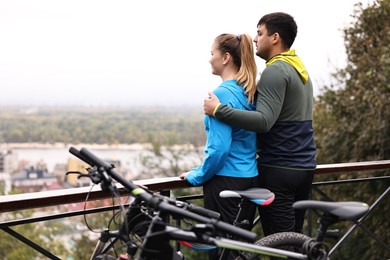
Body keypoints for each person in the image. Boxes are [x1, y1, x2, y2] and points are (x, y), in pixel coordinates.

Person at [203, 12, 317, 237]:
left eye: (259, 33)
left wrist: (218, 110)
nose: (255, 39)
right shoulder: (299, 68)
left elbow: (264, 121)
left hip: (280, 169)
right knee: (296, 241)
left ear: (275, 38)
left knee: (281, 244)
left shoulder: (275, 70)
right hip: (304, 167)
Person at [179, 33, 258, 259]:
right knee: (239, 249)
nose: (209, 59)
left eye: (211, 53)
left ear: (225, 58)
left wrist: (197, 175)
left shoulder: (221, 94)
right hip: (249, 177)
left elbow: (219, 150)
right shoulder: (248, 90)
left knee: (221, 252)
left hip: (226, 182)